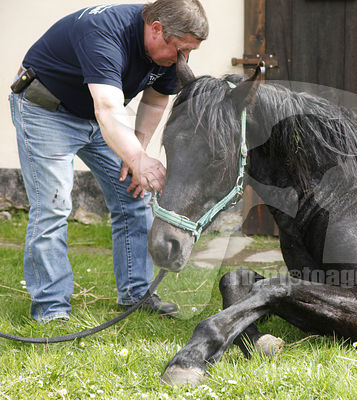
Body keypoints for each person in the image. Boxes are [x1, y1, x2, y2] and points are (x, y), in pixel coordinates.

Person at [9, 0, 208, 322]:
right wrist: (135, 157)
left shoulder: (171, 52)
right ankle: (52, 308)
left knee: (134, 196)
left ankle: (136, 294)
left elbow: (156, 100)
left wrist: (138, 154)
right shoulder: (104, 32)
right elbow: (108, 108)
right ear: (156, 29)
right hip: (46, 111)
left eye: (189, 52)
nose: (183, 59)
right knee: (53, 207)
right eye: (180, 50)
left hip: (99, 118)